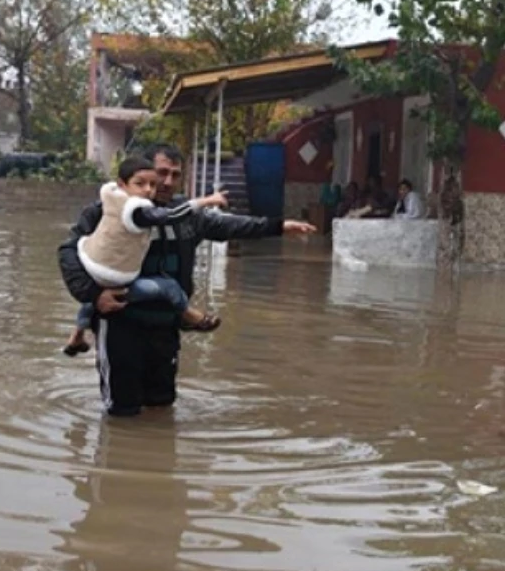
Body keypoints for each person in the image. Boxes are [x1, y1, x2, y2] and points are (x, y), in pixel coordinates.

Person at [57, 143, 317, 417]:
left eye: (175, 175)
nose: (167, 182)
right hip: (120, 322)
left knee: (162, 406)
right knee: (122, 411)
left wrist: (276, 226)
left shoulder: (186, 216)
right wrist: (95, 294)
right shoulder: (106, 211)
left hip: (166, 325)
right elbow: (69, 252)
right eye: (161, 173)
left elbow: (230, 225)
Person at [63, 156, 228, 356]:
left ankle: (77, 335)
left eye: (152, 184)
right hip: (114, 276)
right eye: (140, 184)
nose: (148, 190)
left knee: (93, 299)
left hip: (93, 263)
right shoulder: (136, 210)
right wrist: (207, 201)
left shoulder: (110, 197)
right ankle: (188, 315)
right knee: (169, 287)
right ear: (122, 184)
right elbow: (171, 215)